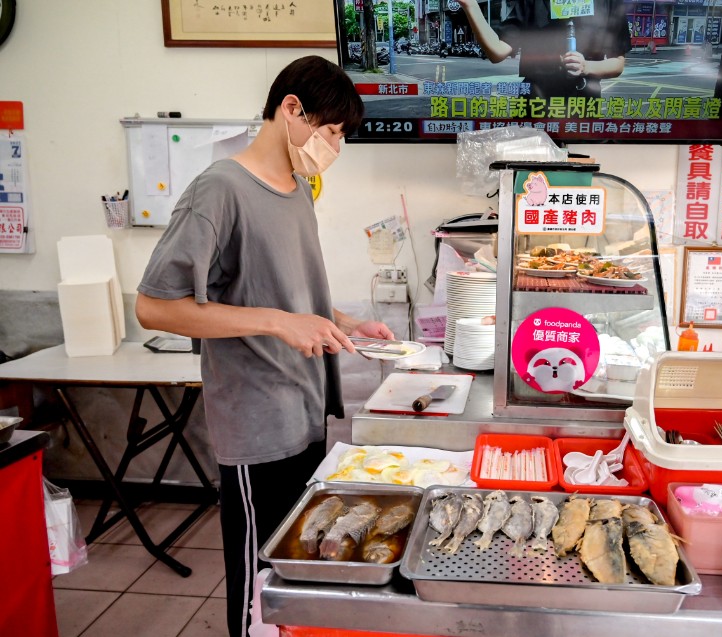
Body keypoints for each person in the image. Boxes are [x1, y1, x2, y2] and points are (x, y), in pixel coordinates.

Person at [135, 56, 394, 637]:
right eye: (331, 131)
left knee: (292, 570)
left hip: (305, 411)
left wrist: (348, 324)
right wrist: (279, 323)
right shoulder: (220, 190)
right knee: (258, 578)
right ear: (291, 109)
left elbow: (291, 293)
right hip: (257, 424)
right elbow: (155, 305)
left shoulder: (297, 189)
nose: (335, 146)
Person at [457, 0, 630, 99]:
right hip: (535, 106)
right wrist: (470, 6)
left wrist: (586, 66)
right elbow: (497, 52)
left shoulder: (610, 3)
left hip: (582, 107)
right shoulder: (533, 2)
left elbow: (618, 63)